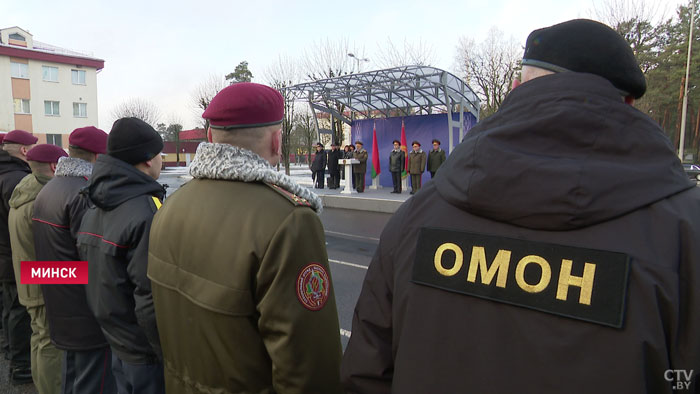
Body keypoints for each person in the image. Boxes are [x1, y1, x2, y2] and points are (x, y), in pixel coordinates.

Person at [341, 19, 700, 394]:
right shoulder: (684, 232)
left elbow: (366, 373)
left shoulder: (416, 217)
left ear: (516, 88)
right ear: (627, 103)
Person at [147, 82, 343, 394]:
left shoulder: (171, 205)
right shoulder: (290, 220)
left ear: (210, 137)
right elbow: (308, 364)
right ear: (277, 141)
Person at [77, 118, 165, 394]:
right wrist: (164, 351)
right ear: (148, 159)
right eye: (160, 152)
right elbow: (149, 296)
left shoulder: (96, 201)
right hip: (145, 352)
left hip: (116, 338)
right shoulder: (146, 211)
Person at [32, 126, 116, 394]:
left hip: (60, 303)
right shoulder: (84, 193)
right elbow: (93, 258)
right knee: (94, 383)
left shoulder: (49, 188)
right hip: (86, 312)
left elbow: (50, 260)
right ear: (97, 157)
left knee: (73, 379)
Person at [8, 144, 67, 393]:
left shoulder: (25, 192)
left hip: (29, 276)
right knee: (50, 344)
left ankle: (41, 382)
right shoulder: (41, 201)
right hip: (42, 280)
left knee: (39, 337)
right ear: (55, 166)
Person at [0, 129, 37, 385]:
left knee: (9, 305)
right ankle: (21, 365)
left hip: (5, 255)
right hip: (14, 257)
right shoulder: (17, 180)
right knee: (20, 312)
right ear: (25, 150)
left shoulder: (5, 174)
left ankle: (10, 351)